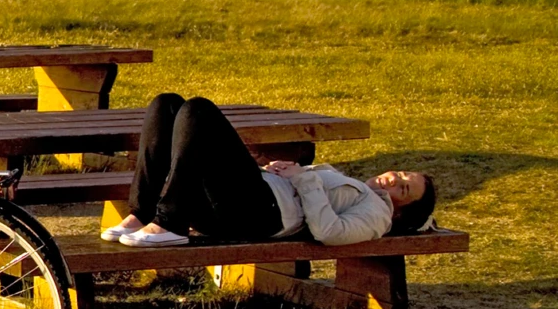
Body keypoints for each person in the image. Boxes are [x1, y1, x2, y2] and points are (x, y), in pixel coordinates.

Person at [102, 93, 437, 248]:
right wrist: (277, 171)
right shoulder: (355, 186)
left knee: (198, 111)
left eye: (404, 189)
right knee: (167, 105)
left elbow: (330, 232)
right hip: (251, 197)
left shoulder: (378, 214)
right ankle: (142, 213)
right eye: (402, 174)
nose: (395, 178)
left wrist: (303, 177)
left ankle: (169, 223)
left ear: (400, 213)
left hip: (260, 215)